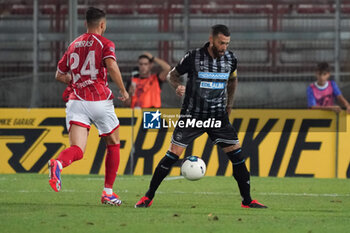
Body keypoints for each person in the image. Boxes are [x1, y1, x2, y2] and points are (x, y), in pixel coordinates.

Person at [135, 25, 267, 209]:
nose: (224, 47)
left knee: (237, 156)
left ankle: (247, 200)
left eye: (227, 44)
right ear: (211, 40)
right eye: (221, 43)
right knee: (172, 155)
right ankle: (148, 197)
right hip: (192, 115)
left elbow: (233, 80)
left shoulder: (231, 59)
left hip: (218, 116)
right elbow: (173, 75)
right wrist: (177, 86)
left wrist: (229, 104)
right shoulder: (193, 57)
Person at [48, 7, 129, 206]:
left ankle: (58, 163)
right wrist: (123, 90)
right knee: (113, 142)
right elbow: (111, 65)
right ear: (102, 25)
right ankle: (108, 192)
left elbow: (59, 74)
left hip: (76, 102)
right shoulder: (105, 43)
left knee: (77, 148)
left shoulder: (74, 44)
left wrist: (76, 81)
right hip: (99, 100)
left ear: (85, 24)